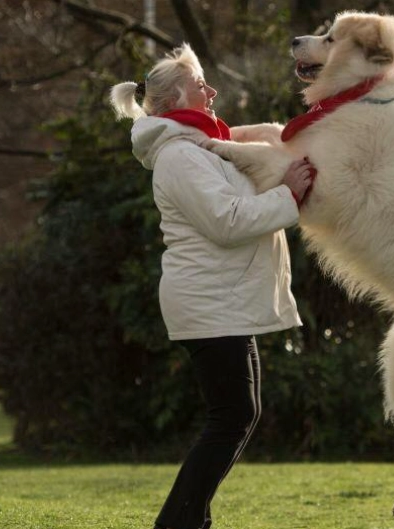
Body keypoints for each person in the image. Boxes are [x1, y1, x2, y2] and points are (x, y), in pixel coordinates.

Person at [108, 44, 314, 529]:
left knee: (239, 414)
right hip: (208, 304)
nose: (213, 91)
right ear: (179, 98)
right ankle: (180, 523)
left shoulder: (201, 147)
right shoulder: (179, 156)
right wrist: (291, 194)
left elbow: (247, 180)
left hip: (223, 303)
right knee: (232, 417)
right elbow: (227, 221)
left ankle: (188, 519)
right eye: (202, 84)